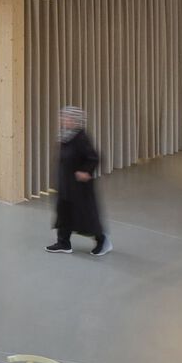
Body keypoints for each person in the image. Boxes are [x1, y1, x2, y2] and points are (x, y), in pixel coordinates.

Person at [48, 106, 108, 255]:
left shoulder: (81, 138)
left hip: (79, 187)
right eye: (62, 117)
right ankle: (63, 243)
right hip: (65, 184)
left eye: (66, 118)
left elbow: (94, 157)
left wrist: (85, 171)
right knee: (64, 213)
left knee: (85, 216)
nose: (63, 120)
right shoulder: (64, 136)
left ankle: (102, 241)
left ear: (75, 121)